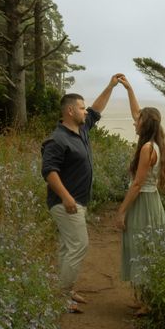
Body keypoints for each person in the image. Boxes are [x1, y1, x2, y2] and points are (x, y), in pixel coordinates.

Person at [41, 74, 123, 313]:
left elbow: (96, 109)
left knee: (68, 247)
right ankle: (61, 298)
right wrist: (66, 197)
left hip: (76, 202)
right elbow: (49, 171)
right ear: (69, 111)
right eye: (80, 107)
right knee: (79, 245)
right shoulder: (58, 139)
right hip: (66, 203)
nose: (85, 111)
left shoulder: (81, 129)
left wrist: (110, 86)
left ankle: (64, 289)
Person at [115, 76, 165, 315]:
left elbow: (137, 184)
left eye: (138, 121)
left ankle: (147, 303)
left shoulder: (147, 148)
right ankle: (142, 298)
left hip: (144, 202)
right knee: (142, 246)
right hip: (149, 201)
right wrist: (129, 89)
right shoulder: (153, 141)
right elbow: (138, 111)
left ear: (144, 125)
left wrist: (121, 210)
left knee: (143, 248)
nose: (134, 122)